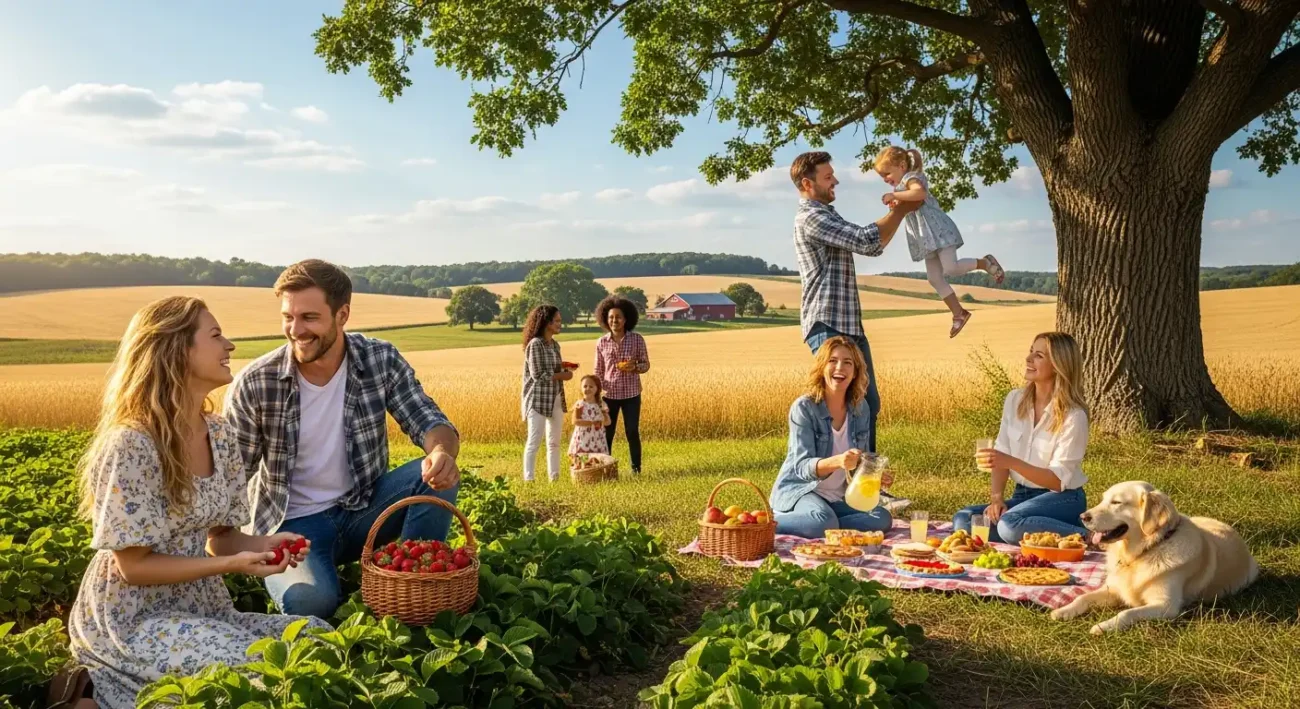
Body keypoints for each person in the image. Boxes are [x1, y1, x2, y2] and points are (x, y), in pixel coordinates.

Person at [63, 296, 330, 709]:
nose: (229, 346)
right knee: (252, 671)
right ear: (176, 349)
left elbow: (220, 539)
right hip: (132, 618)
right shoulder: (131, 444)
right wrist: (231, 565)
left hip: (201, 607)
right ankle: (94, 690)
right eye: (216, 335)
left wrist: (263, 545)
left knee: (316, 637)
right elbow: (133, 568)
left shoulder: (220, 435)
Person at [224, 260, 461, 620]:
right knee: (311, 604)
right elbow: (230, 477)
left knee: (436, 475)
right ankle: (325, 580)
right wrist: (230, 543)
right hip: (293, 528)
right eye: (288, 317)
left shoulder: (379, 359)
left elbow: (427, 418)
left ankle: (409, 588)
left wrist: (441, 452)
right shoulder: (257, 382)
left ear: (342, 315)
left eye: (309, 318)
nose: (296, 330)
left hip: (364, 508)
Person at [791, 150, 917, 455]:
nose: (835, 181)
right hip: (828, 323)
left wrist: (901, 208)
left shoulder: (828, 214)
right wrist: (902, 207)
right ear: (807, 184)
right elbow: (864, 241)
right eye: (828, 176)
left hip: (847, 324)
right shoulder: (812, 218)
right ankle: (830, 471)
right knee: (843, 404)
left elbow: (873, 244)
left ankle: (865, 476)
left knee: (867, 403)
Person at [952, 332, 1090, 544]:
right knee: (964, 520)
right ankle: (1041, 531)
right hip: (1022, 496)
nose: (1028, 359)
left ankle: (1087, 536)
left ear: (1058, 365)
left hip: (1063, 499)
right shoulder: (1014, 400)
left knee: (1009, 524)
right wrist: (997, 499)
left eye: (1039, 356)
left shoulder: (1074, 416)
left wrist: (1010, 461)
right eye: (1030, 352)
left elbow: (1057, 481)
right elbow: (1001, 452)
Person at [770, 336, 895, 539]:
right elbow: (801, 467)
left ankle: (824, 524)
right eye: (833, 361)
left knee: (881, 518)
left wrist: (872, 475)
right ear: (822, 367)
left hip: (837, 498)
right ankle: (767, 522)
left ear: (855, 372)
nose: (840, 368)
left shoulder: (861, 408)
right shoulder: (804, 408)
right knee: (822, 521)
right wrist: (838, 461)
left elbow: (860, 460)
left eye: (848, 362)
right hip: (802, 491)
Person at [875, 146, 1005, 338]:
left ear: (901, 166)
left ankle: (985, 263)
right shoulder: (901, 186)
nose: (885, 179)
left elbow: (919, 193)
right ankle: (959, 313)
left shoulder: (911, 178)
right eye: (882, 176)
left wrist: (895, 196)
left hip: (938, 232)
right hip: (927, 239)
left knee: (951, 268)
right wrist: (897, 202)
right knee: (934, 278)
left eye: (887, 173)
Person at [593, 295, 650, 474]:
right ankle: (606, 469)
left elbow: (646, 364)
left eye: (618, 317)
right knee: (607, 433)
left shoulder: (637, 339)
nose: (614, 320)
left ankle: (636, 469)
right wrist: (596, 395)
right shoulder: (601, 342)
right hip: (609, 395)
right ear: (605, 319)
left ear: (626, 319)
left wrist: (635, 367)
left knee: (632, 431)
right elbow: (598, 370)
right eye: (611, 317)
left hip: (632, 394)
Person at [521, 305, 571, 482]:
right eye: (556, 321)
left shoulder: (555, 345)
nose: (559, 324)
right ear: (546, 322)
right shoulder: (535, 344)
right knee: (534, 441)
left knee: (554, 442)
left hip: (556, 397)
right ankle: (529, 479)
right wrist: (561, 375)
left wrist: (565, 369)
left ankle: (554, 478)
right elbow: (538, 376)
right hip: (538, 400)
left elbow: (554, 369)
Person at [568, 374, 611, 466]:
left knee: (597, 463)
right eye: (585, 386)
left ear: (597, 389)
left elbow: (608, 422)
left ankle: (595, 473)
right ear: (581, 388)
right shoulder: (580, 404)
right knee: (582, 462)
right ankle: (582, 472)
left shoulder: (601, 404)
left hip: (597, 439)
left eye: (591, 386)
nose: (587, 388)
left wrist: (604, 414)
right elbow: (575, 421)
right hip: (583, 439)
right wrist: (592, 423)